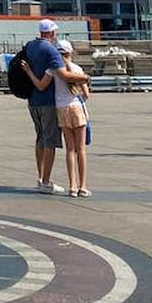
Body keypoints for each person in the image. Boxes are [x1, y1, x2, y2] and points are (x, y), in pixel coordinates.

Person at [25, 37, 92, 197]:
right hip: (76, 107)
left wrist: (29, 72)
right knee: (80, 149)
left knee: (69, 149)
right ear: (70, 52)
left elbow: (41, 85)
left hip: (61, 109)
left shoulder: (52, 69)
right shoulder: (77, 69)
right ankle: (82, 187)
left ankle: (72, 187)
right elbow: (86, 94)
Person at [23, 18, 65, 193]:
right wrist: (83, 78)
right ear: (53, 33)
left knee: (40, 138)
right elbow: (60, 75)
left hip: (33, 100)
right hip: (48, 100)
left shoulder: (30, 46)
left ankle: (40, 177)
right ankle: (46, 182)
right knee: (50, 141)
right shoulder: (51, 51)